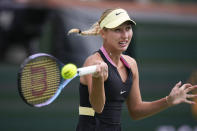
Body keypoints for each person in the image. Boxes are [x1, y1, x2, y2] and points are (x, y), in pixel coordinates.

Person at [68, 8, 197, 131]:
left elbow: (136, 111)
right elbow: (98, 107)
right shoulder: (93, 62)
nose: (125, 35)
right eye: (117, 30)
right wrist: (98, 78)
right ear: (103, 33)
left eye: (128, 28)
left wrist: (168, 101)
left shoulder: (131, 64)